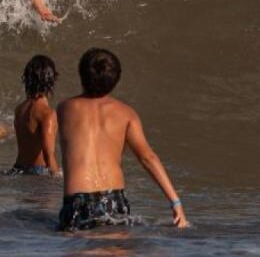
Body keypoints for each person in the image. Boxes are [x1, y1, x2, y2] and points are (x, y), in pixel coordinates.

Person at [57, 48, 189, 231]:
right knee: (115, 255)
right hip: (114, 199)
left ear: (81, 74)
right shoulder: (127, 114)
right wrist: (175, 202)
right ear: (116, 79)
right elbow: (147, 158)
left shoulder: (65, 109)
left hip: (78, 202)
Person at [9, 55, 60, 176]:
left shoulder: (20, 109)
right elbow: (48, 155)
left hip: (17, 169)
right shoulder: (47, 114)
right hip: (37, 172)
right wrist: (57, 181)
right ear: (51, 80)